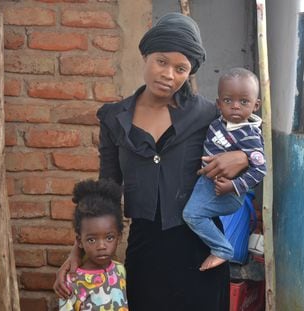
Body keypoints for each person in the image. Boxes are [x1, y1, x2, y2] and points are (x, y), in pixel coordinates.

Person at [54, 12, 249, 311]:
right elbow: (107, 190)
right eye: (161, 61)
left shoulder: (208, 116)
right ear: (146, 55)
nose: (169, 74)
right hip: (146, 252)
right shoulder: (114, 119)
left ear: (189, 72)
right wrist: (77, 249)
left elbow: (253, 145)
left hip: (200, 250)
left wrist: (243, 156)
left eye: (180, 68)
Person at [183, 67, 266, 271]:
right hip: (208, 183)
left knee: (192, 215)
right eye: (228, 101)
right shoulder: (218, 123)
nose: (235, 107)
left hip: (227, 191)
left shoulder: (250, 135)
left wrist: (233, 186)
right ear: (219, 104)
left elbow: (260, 169)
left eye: (244, 102)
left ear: (256, 105)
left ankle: (222, 248)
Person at [58, 179, 128, 311]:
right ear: (79, 241)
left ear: (119, 237)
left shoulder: (120, 270)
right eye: (91, 240)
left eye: (109, 238)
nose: (101, 246)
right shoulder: (73, 280)